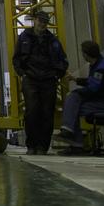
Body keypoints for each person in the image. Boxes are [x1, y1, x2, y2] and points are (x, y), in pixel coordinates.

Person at [13, 10, 68, 154]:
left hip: (48, 80)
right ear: (35, 20)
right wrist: (22, 74)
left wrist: (57, 75)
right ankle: (31, 145)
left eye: (44, 22)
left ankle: (42, 147)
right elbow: (16, 58)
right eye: (40, 21)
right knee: (31, 112)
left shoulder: (53, 40)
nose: (42, 24)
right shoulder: (24, 37)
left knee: (47, 112)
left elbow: (63, 60)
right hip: (30, 79)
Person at [57, 40, 104, 151]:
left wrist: (75, 93)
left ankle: (75, 141)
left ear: (85, 54)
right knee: (73, 105)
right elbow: (93, 81)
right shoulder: (98, 64)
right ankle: (69, 133)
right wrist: (76, 80)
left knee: (73, 105)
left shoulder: (101, 68)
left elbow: (92, 89)